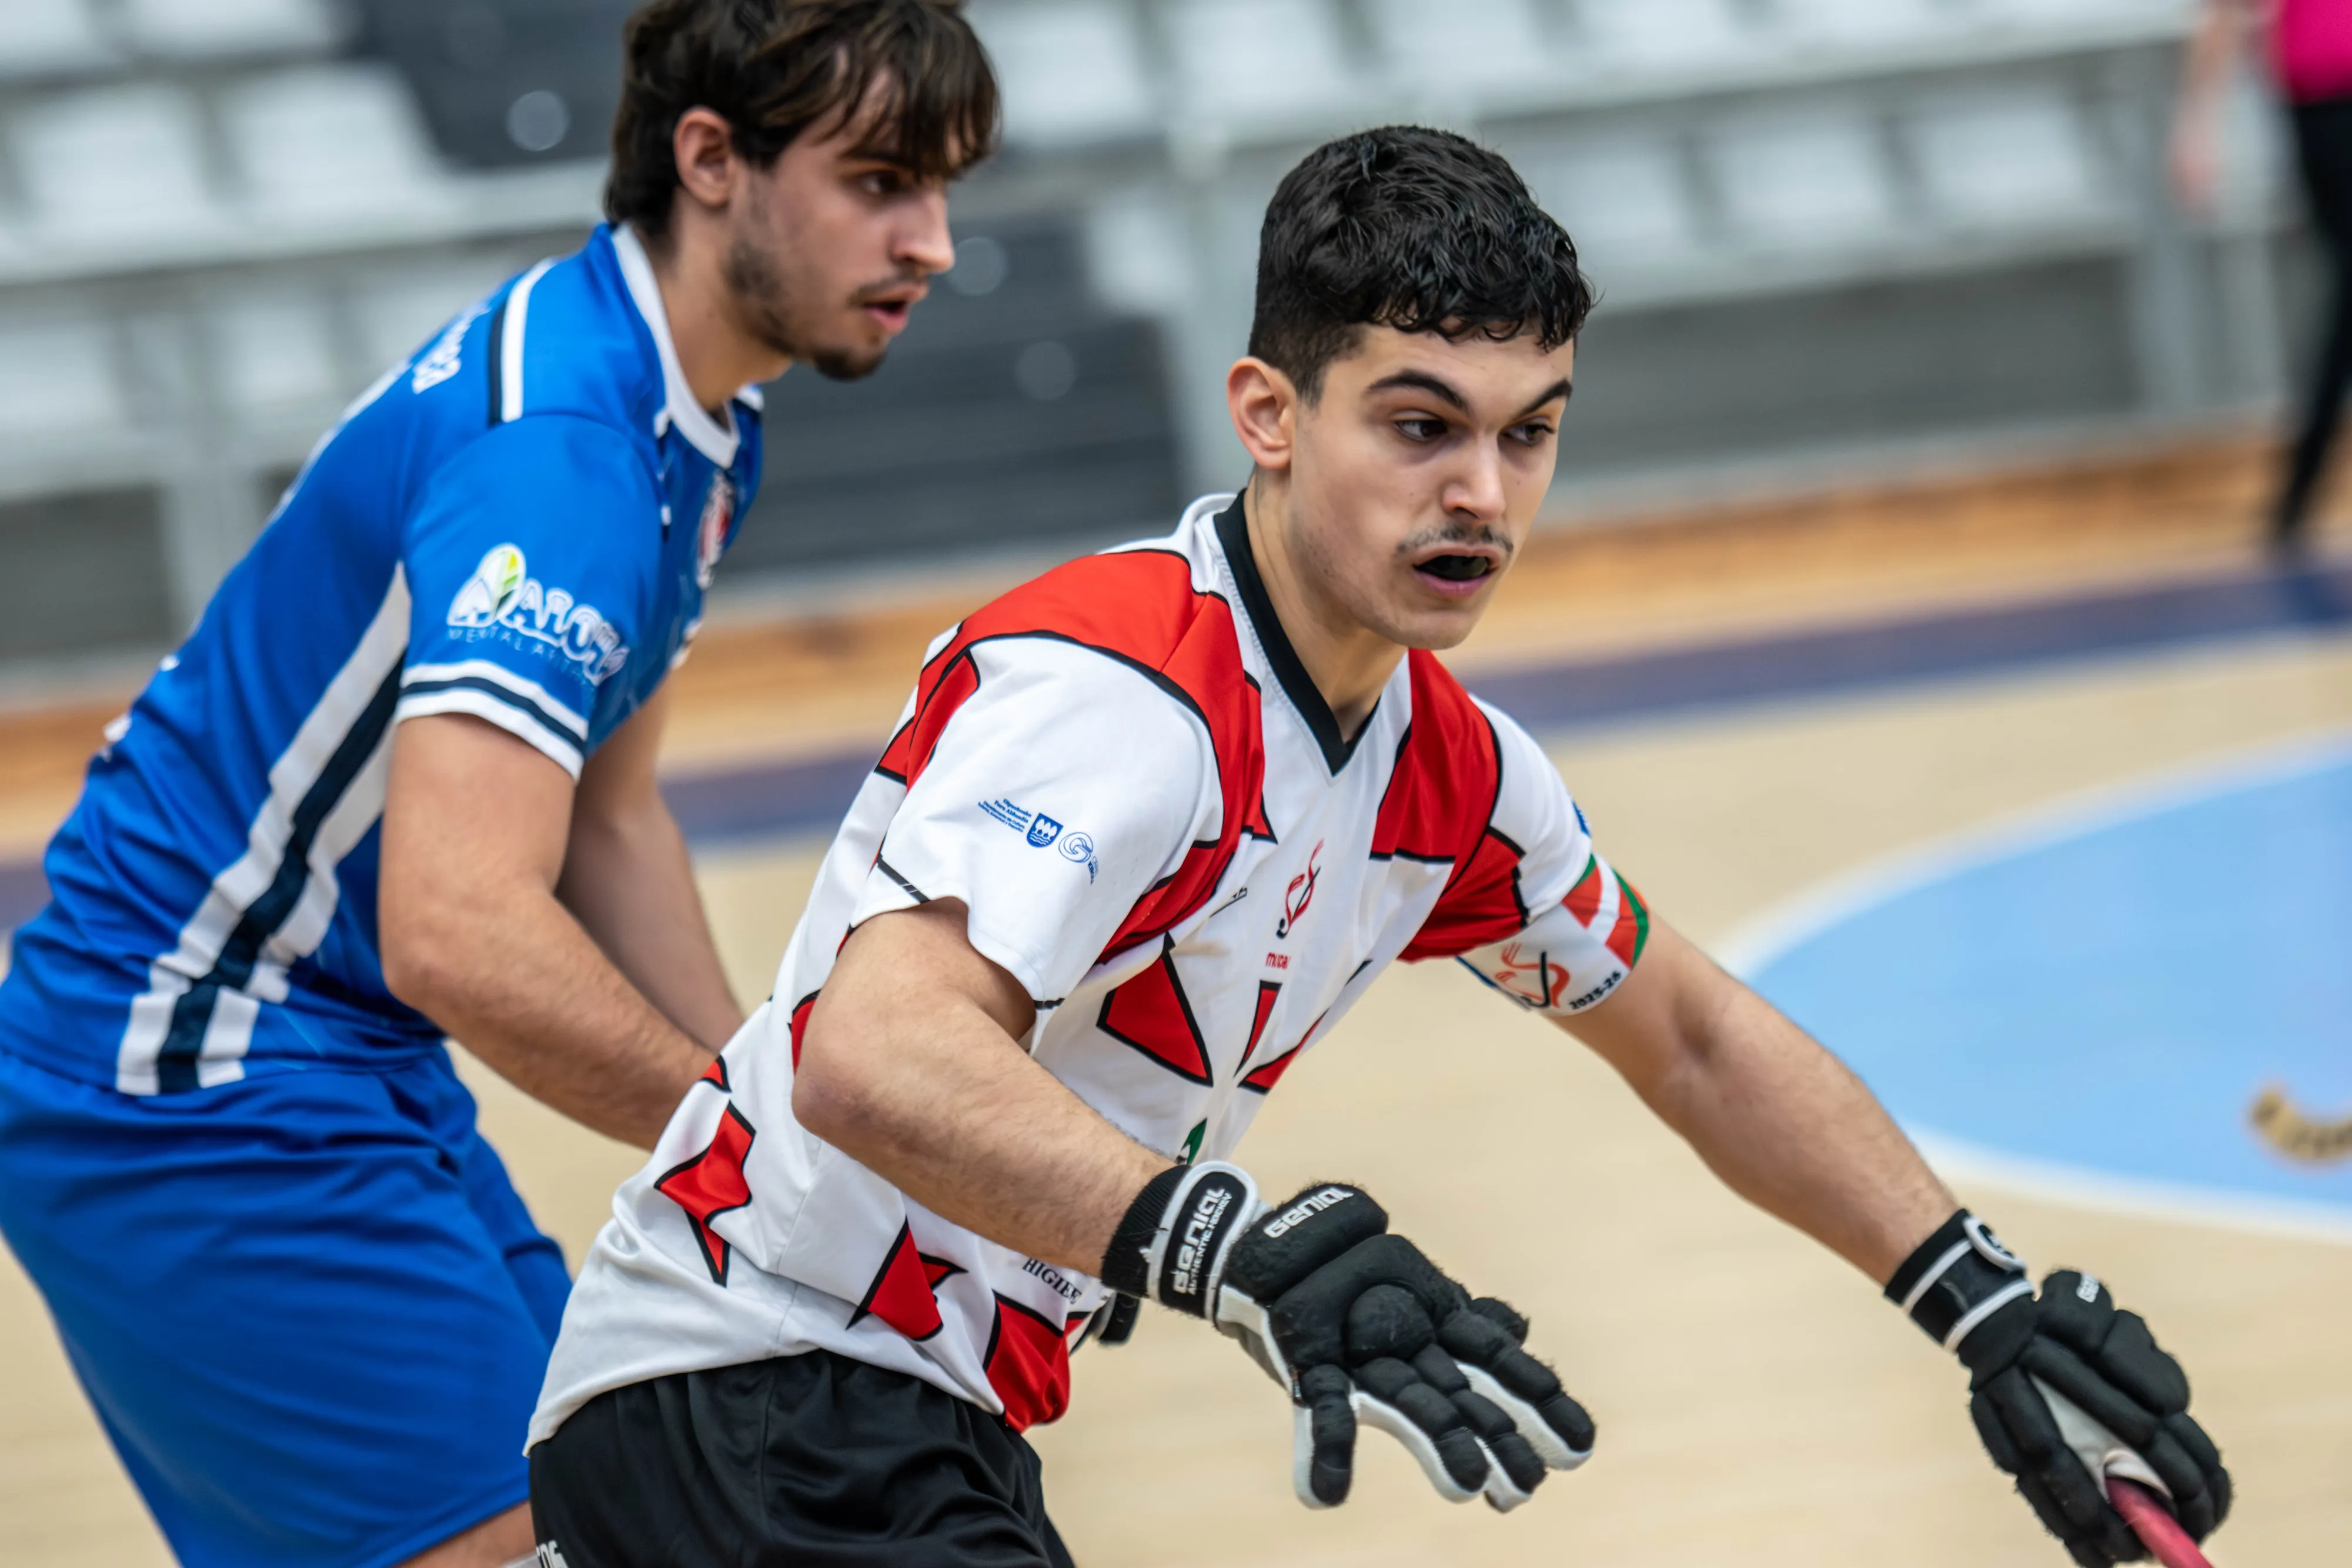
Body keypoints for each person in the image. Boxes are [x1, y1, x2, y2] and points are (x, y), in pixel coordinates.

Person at [525, 127, 2232, 1567]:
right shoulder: (1122, 690)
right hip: (755, 1391)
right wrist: (1228, 1248)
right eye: (1421, 426)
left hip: (893, 1422)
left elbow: (1696, 1039)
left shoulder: (1454, 778)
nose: (1482, 490)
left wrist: (1976, 1301)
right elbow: (871, 1050)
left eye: (1528, 430)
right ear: (1269, 413)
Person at [0, 4, 995, 1566]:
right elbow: (457, 930)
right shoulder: (564, 448)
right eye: (879, 181)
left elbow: (610, 816)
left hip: (322, 1048)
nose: (930, 239)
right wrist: (771, 1164)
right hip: (187, 1070)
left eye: (941, 187)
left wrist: (777, 1119)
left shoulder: (688, 417)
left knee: (613, 1509)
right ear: (710, 160)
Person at [2176, 0, 2352, 551]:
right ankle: (2300, 485)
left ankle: (2299, 488)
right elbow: (2225, 11)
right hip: (2322, 105)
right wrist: (2198, 123)